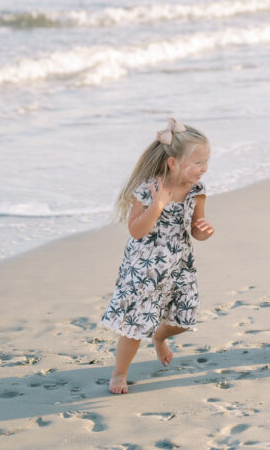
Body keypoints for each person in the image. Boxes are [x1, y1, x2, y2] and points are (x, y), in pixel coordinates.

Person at [101, 118, 215, 394]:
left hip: (179, 266)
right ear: (173, 163)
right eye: (198, 163)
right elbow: (136, 231)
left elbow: (195, 229)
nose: (204, 168)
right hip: (145, 269)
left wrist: (204, 231)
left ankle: (160, 338)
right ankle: (119, 373)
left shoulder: (196, 191)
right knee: (135, 325)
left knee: (185, 318)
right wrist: (157, 206)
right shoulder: (148, 189)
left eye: (206, 162)